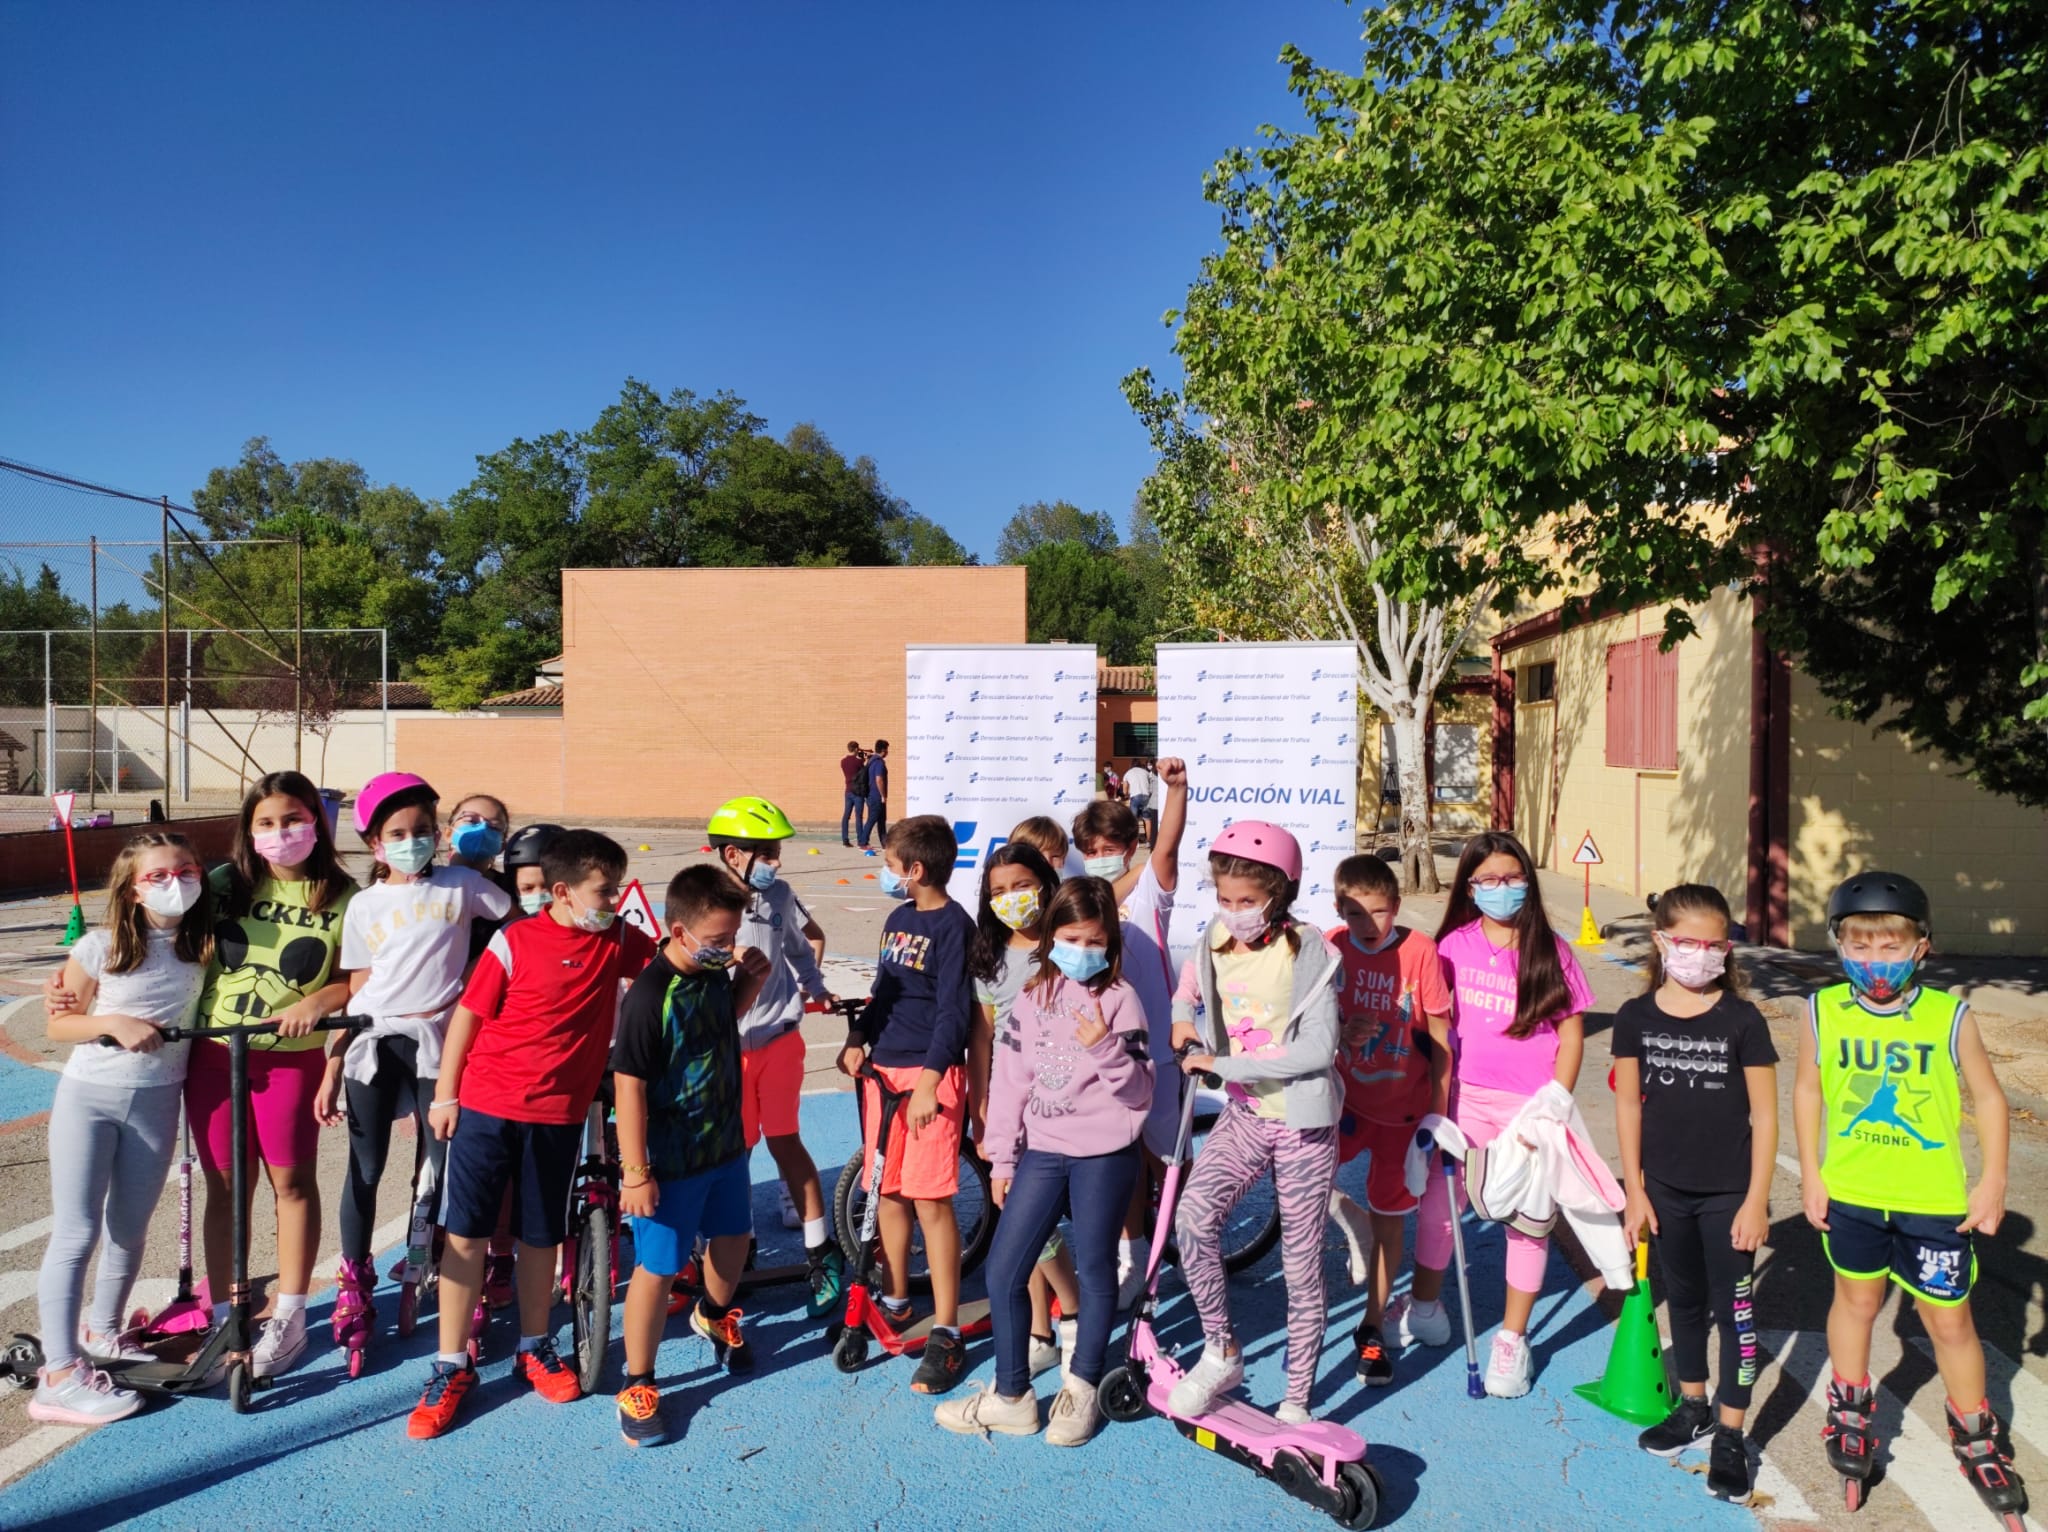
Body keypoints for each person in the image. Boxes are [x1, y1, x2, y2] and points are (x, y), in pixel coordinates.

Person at [406, 829, 656, 1439]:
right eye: (605, 890)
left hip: (558, 1116)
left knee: (540, 1235)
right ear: (564, 892)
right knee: (465, 1234)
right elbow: (468, 1016)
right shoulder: (515, 941)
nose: (614, 899)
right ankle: (450, 1365)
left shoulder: (619, 937)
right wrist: (446, 1094)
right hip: (487, 1106)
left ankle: (534, 1346)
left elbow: (664, 969)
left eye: (618, 888)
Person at [1795, 871, 2027, 1523]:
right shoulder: (1822, 1011)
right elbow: (1809, 1090)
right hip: (1854, 1194)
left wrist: (1992, 1180)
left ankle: (1976, 1434)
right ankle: (1849, 1408)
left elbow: (1987, 1096)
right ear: (1838, 944)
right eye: (1860, 944)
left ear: (1922, 946)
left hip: (1933, 1202)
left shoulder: (1949, 1015)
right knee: (1857, 1300)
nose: (1875, 960)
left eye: (1891, 945)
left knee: (1950, 1319)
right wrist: (1812, 1173)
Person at [938, 875, 1153, 1447]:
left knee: (1096, 1267)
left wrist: (1104, 1046)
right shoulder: (1033, 997)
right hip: (1043, 1151)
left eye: (1094, 940)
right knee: (1005, 1269)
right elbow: (1009, 1083)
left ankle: (1081, 1386)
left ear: (1109, 942)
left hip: (1104, 1155)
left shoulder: (1122, 999)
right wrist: (1003, 1159)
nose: (1083, 951)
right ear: (1051, 935)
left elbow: (1138, 1094)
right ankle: (1012, 1397)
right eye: (1071, 937)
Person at [320, 773, 510, 1368]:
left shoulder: (462, 884)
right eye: (397, 834)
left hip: (439, 1040)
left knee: (443, 1166)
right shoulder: (363, 905)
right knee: (366, 1166)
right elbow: (355, 989)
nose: (412, 842)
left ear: (438, 834)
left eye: (423, 831)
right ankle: (355, 1283)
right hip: (374, 1042)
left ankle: (455, 1274)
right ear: (376, 844)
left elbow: (523, 920)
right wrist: (330, 1068)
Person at [31, 832, 212, 1426]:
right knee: (78, 1230)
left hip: (158, 1100)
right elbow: (60, 1026)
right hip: (90, 1098)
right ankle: (57, 1374)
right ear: (132, 890)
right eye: (157, 876)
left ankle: (104, 1332)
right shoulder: (100, 946)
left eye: (184, 870)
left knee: (130, 1229)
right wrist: (110, 1020)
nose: (174, 882)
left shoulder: (205, 943)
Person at [1167, 820, 1343, 1424]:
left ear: (1280, 894)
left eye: (1248, 902)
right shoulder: (1213, 938)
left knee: (1299, 1263)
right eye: (1225, 899)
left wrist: (1222, 1061)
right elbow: (1186, 992)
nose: (1234, 912)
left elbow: (1318, 1049)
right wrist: (1180, 1021)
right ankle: (1221, 1351)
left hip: (1300, 1123)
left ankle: (1296, 1401)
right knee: (1191, 1222)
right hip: (1245, 1114)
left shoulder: (1307, 949)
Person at [1408, 830, 1594, 1399]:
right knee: (1441, 1211)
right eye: (1487, 880)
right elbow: (1432, 1025)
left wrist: (1555, 1104)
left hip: (1528, 1110)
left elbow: (1571, 1033)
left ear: (1529, 883)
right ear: (1469, 886)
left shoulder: (1553, 950)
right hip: (1462, 1100)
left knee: (1529, 1222)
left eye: (1512, 878)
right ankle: (1423, 1305)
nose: (1501, 889)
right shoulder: (1452, 947)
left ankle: (1512, 1339)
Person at [1612, 883, 1776, 1504]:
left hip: (1729, 1194)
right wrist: (1637, 1190)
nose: (1702, 955)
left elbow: (1765, 1114)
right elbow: (1628, 1104)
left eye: (1715, 945)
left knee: (1735, 1313)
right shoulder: (1635, 1017)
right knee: (1681, 1301)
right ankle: (1693, 1406)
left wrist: (1757, 1198)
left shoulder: (1742, 1019)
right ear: (1660, 941)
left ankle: (1730, 1436)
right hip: (1665, 1192)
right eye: (1687, 943)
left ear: (1727, 949)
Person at [193, 770, 358, 1380]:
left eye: (293, 819)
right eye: (266, 823)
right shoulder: (220, 886)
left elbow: (357, 978)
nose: (280, 832)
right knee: (227, 1190)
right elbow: (156, 940)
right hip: (213, 1056)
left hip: (290, 1060)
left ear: (316, 821)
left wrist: (319, 1002)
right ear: (248, 830)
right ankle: (224, 1316)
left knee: (292, 1184)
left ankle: (289, 1316)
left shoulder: (343, 896)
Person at [611, 865, 774, 1448]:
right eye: (717, 941)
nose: (728, 949)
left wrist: (746, 987)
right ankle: (638, 1381)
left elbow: (708, 1034)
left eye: (732, 938)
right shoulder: (650, 995)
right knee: (657, 1268)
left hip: (724, 1146)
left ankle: (713, 1312)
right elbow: (628, 1084)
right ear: (678, 932)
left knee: (733, 1240)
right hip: (670, 1161)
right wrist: (636, 1170)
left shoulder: (712, 976)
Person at [835, 815, 975, 1394]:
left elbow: (953, 1011)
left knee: (929, 1199)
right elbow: (885, 990)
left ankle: (947, 1329)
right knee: (886, 1190)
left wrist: (930, 1079)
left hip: (927, 1074)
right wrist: (856, 1038)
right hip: (882, 1069)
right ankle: (894, 1297)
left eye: (890, 865)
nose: (885, 874)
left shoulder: (953, 926)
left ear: (915, 870)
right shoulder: (897, 919)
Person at [706, 795, 846, 1317]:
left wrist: (817, 986)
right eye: (765, 852)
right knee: (734, 1153)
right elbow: (681, 955)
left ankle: (819, 1251)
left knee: (787, 1142)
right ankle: (731, 1247)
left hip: (780, 1040)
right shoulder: (707, 899)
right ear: (732, 854)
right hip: (729, 1050)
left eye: (776, 852)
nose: (775, 862)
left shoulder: (780, 895)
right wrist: (727, 954)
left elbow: (798, 948)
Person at [1323, 853, 1453, 1388]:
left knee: (1389, 1223)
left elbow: (1442, 1041)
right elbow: (1312, 1019)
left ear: (1396, 908)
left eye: (1378, 913)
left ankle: (1372, 1326)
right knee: (1300, 1183)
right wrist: (1338, 1027)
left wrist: (1440, 1114)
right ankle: (1344, 1213)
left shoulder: (1421, 951)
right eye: (1355, 914)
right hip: (1345, 1105)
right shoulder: (1331, 945)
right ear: (1339, 910)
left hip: (1403, 1115)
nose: (1367, 925)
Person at [1071, 757, 1189, 1305]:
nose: (1099, 859)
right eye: (1090, 850)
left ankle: (1189, 1237)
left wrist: (1176, 790)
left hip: (1159, 1050)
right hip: (1104, 1050)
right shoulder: (1078, 901)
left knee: (1171, 1159)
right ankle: (1135, 1259)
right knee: (1124, 1158)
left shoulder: (1149, 890)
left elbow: (1167, 844)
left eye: (1108, 849)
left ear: (1129, 847)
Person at [967, 840, 1081, 1381]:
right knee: (1021, 1219)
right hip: (1012, 1106)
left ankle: (1073, 1307)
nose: (1010, 898)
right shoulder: (989, 956)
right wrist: (980, 1101)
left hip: (1063, 1102)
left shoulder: (1069, 946)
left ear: (1045, 883)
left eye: (1021, 886)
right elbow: (982, 1036)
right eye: (998, 891)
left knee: (1032, 1220)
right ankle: (1043, 1327)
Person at [862, 740, 891, 849]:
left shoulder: (871, 761)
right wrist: (883, 795)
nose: (888, 752)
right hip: (876, 796)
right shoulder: (879, 762)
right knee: (872, 819)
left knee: (881, 820)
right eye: (887, 749)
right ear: (883, 750)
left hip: (872, 795)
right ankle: (863, 842)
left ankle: (885, 843)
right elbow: (879, 780)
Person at [840, 742, 870, 848]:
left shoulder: (843, 761)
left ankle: (845, 839)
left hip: (848, 790)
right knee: (858, 816)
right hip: (857, 792)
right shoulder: (858, 762)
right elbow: (863, 772)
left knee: (846, 816)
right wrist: (864, 760)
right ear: (856, 749)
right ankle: (860, 840)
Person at [1123, 760, 1155, 846]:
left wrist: (1126, 794)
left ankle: (1135, 842)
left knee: (1134, 821)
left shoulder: (1128, 773)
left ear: (1131, 765)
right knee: (1147, 820)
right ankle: (1148, 841)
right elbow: (1152, 786)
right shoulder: (1146, 772)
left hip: (1135, 797)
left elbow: (1125, 790)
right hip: (1146, 796)